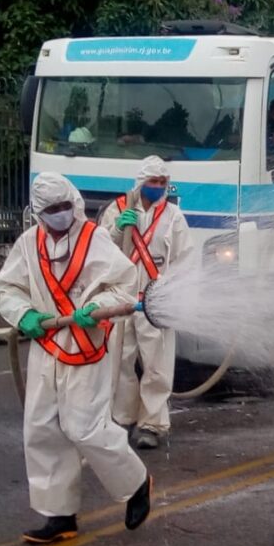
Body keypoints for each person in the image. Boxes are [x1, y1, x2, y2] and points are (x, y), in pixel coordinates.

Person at [0, 172, 152, 544]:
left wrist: (95, 307)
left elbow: (124, 286)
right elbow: (7, 288)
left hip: (88, 342)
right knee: (42, 429)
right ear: (39, 213)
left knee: (85, 427)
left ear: (74, 203)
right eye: (52, 210)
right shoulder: (28, 244)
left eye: (65, 206)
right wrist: (23, 314)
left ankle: (137, 483)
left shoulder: (94, 239)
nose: (61, 215)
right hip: (47, 344)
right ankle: (59, 515)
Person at [100, 156, 196, 450]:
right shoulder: (117, 209)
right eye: (152, 182)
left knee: (157, 365)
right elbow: (99, 249)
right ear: (140, 183)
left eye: (162, 182)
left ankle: (152, 425)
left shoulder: (173, 216)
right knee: (119, 361)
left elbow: (184, 259)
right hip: (121, 299)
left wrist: (174, 294)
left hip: (155, 301)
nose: (157, 187)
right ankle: (123, 418)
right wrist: (117, 229)